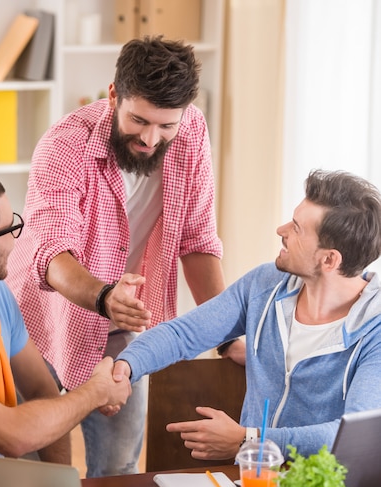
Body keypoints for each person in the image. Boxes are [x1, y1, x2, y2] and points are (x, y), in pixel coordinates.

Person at [6, 36, 229, 477]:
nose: (150, 138)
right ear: (113, 95)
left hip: (124, 327)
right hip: (42, 324)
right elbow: (51, 251)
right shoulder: (64, 146)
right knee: (36, 473)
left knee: (119, 467)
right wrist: (106, 297)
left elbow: (197, 239)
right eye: (138, 120)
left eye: (166, 126)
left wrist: (227, 330)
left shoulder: (192, 133)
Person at [112, 169, 381, 461]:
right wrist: (126, 365)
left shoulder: (374, 329)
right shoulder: (265, 285)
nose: (281, 230)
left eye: (296, 228)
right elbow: (185, 333)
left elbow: (350, 435)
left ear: (329, 259)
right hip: (252, 481)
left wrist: (249, 440)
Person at [0, 171, 131, 480]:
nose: (17, 241)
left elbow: (42, 390)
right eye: (11, 228)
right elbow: (13, 436)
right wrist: (96, 391)